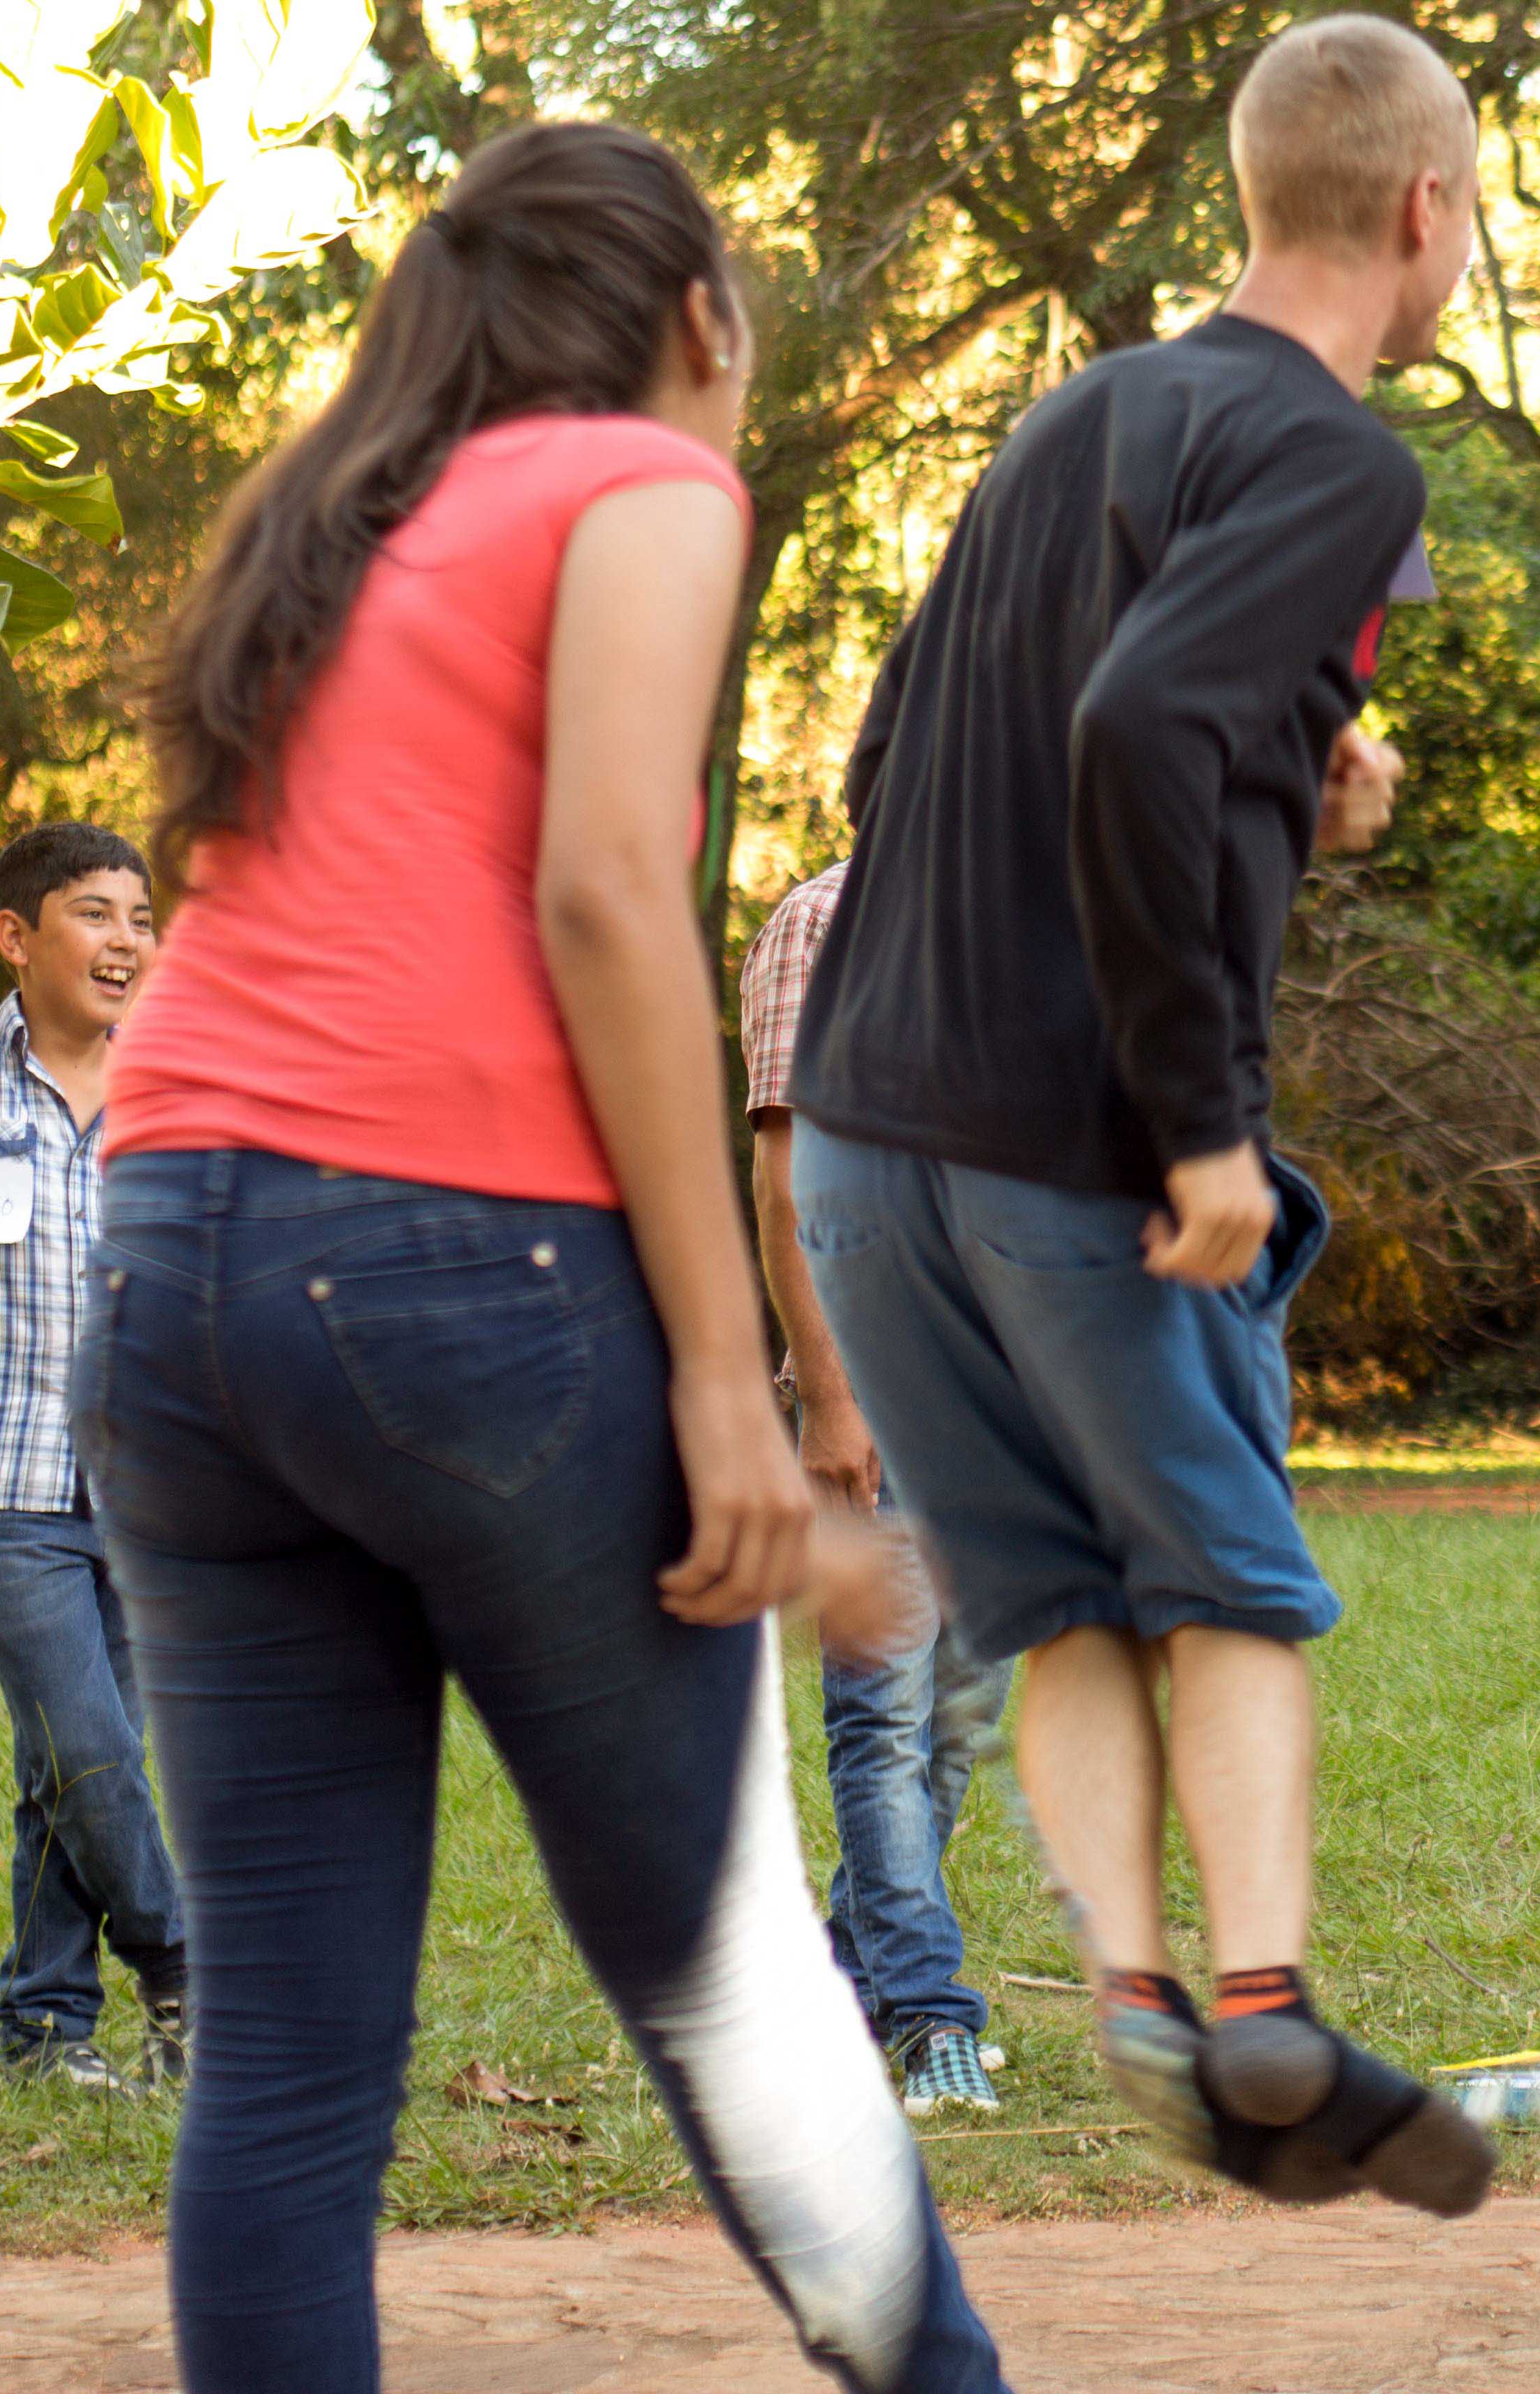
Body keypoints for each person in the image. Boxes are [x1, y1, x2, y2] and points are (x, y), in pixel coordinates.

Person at [100, 121, 1009, 2390]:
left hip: (172, 1275)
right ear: (700, 318)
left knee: (292, 2049)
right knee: (724, 1986)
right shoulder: (642, 480)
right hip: (448, 1273)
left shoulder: (335, 516)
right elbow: (608, 891)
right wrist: (729, 1368)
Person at [781, 12, 1486, 2214]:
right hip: (1074, 1137)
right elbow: (1144, 718)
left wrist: (1308, 790)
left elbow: (906, 770)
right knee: (1229, 1589)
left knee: (1049, 1602)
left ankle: (1135, 1997)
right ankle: (1264, 2009)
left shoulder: (1073, 415)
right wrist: (1194, 1122)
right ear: (1423, 214)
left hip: (864, 1139)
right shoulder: (1347, 460)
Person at [742, 859, 1011, 2117]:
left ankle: (843, 1993)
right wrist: (834, 1399)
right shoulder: (826, 921)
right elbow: (791, 1181)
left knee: (957, 1718)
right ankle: (927, 2013)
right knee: (886, 1719)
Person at [0, 824, 186, 2094]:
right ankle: (190, 1968)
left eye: (140, 919)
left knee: (70, 1770)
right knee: (92, 1747)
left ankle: (48, 2028)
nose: (125, 943)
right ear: (16, 934)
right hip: (3, 1478)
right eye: (95, 915)